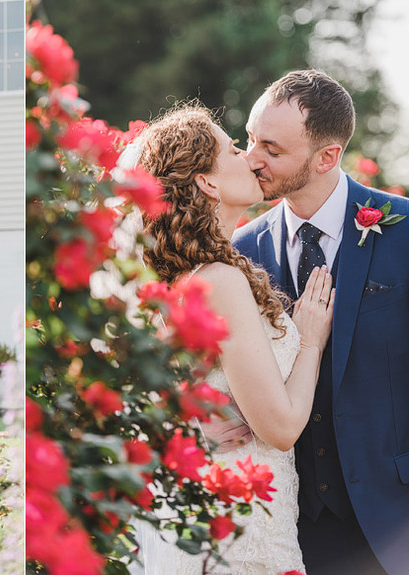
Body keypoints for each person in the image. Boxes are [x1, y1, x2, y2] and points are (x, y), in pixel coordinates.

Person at [128, 104, 333, 574]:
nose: (253, 159)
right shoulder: (218, 280)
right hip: (245, 535)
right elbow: (279, 429)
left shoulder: (176, 280)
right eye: (236, 149)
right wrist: (310, 342)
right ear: (208, 182)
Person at [232, 69, 409, 575]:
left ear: (327, 157)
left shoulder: (405, 232)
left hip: (396, 517)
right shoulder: (241, 253)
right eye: (249, 139)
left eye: (272, 148)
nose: (252, 159)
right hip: (296, 523)